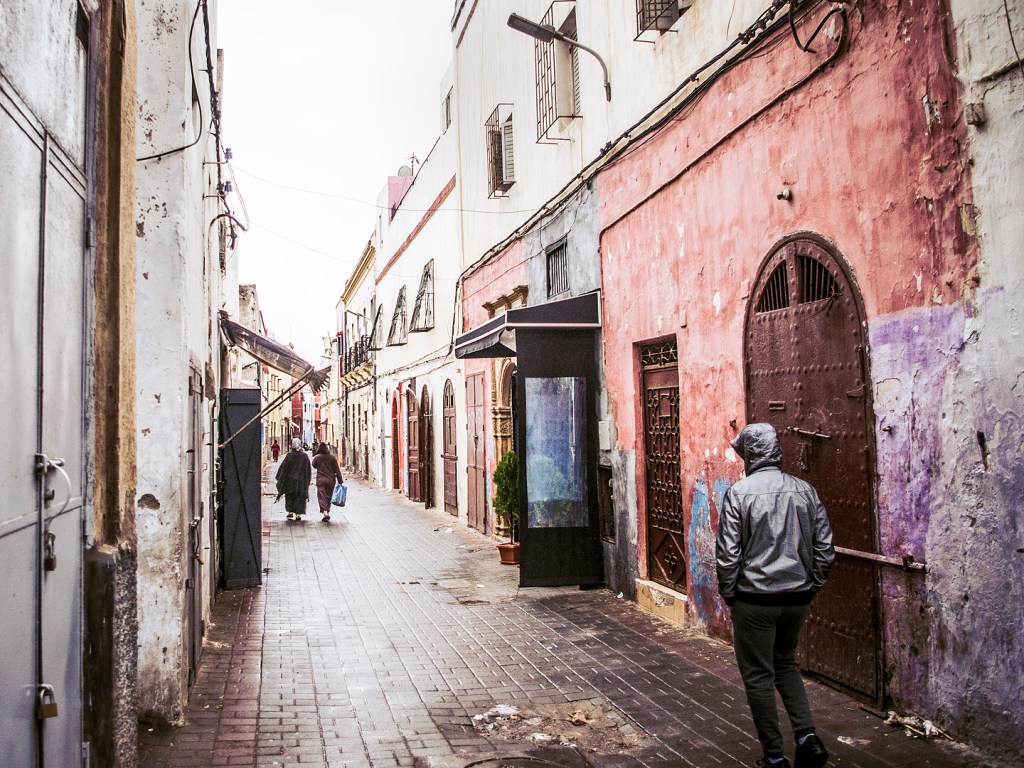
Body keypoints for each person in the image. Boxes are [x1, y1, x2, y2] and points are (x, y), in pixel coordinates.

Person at [716, 423, 834, 768]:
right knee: (786, 664)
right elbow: (825, 549)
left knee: (758, 676)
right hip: (797, 598)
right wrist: (812, 585)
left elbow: (728, 556)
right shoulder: (805, 491)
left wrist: (731, 594)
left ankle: (774, 757)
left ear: (751, 454)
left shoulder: (739, 494)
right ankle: (807, 738)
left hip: (755, 600)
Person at [275, 438, 311, 521]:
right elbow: (307, 470)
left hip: (290, 481)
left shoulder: (289, 455)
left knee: (290, 496)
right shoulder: (304, 456)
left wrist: (281, 479)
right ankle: (298, 514)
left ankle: (290, 511)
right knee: (300, 497)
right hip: (301, 481)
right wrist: (307, 480)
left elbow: (283, 468)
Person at [311, 443, 344, 522]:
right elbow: (337, 470)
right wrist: (340, 480)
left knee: (321, 496)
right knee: (328, 496)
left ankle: (325, 512)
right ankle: (327, 511)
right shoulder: (332, 458)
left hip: (320, 480)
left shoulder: (317, 458)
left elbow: (314, 465)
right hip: (330, 480)